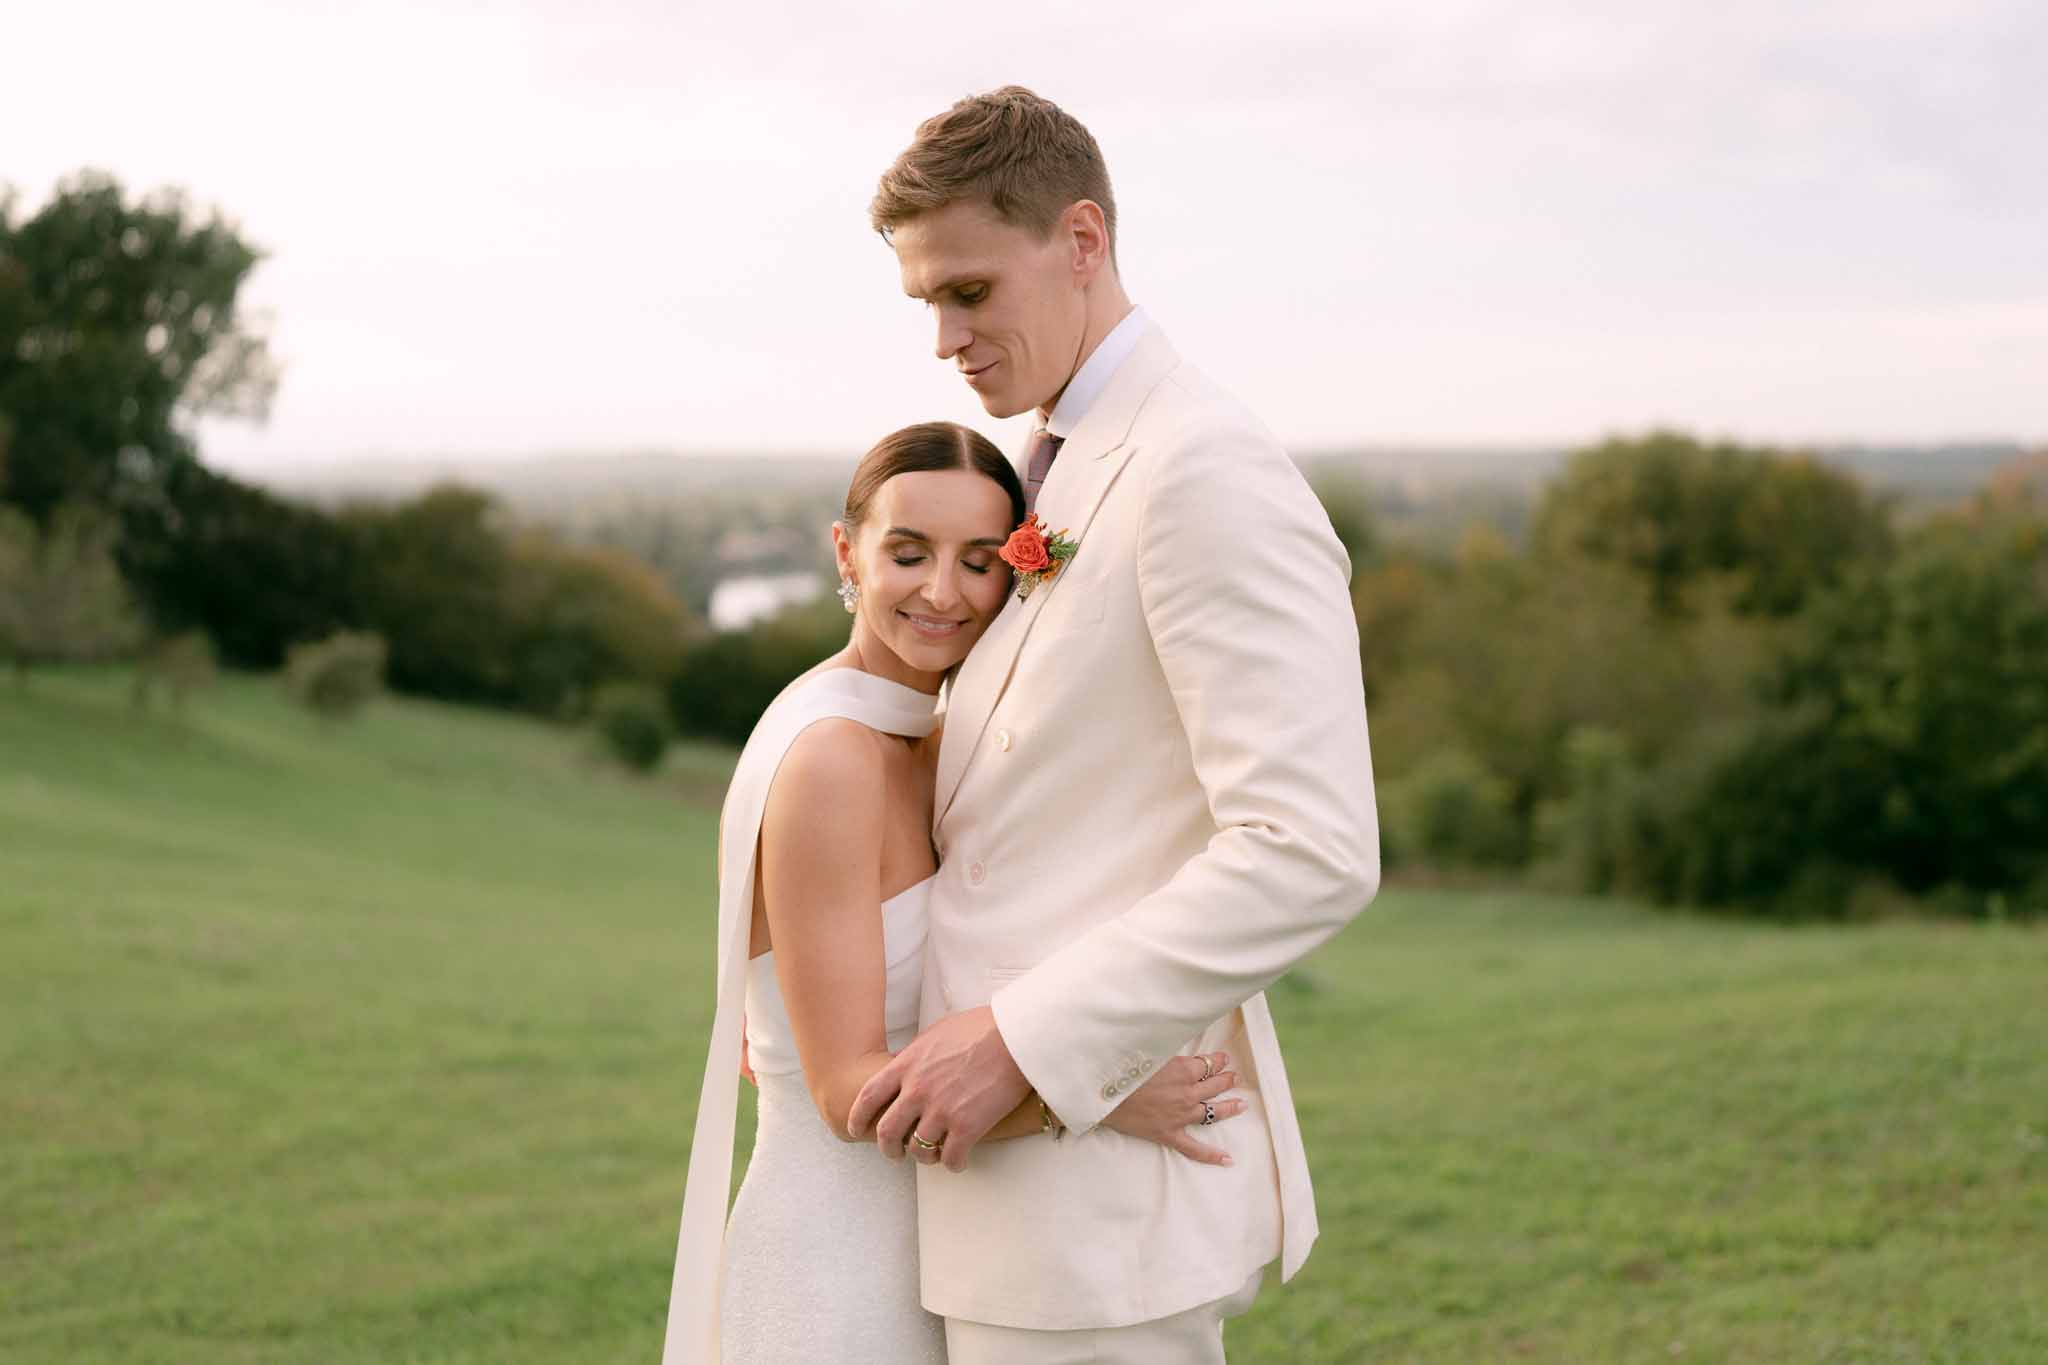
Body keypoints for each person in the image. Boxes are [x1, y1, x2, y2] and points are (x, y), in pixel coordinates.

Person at [845, 88, 1380, 1363]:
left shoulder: (1202, 469)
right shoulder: (1053, 462)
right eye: (926, 302)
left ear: (1080, 241)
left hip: (1097, 1225)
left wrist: (1019, 1046)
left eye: (968, 292)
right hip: (994, 1196)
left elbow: (1306, 848)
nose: (943, 340)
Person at [659, 421, 1257, 1364]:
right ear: (845, 551)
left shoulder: (929, 737)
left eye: (980, 561)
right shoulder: (833, 756)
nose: (943, 591)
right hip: (839, 1266)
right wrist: (1092, 1089)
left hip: (948, 1243)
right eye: (908, 552)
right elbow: (848, 1092)